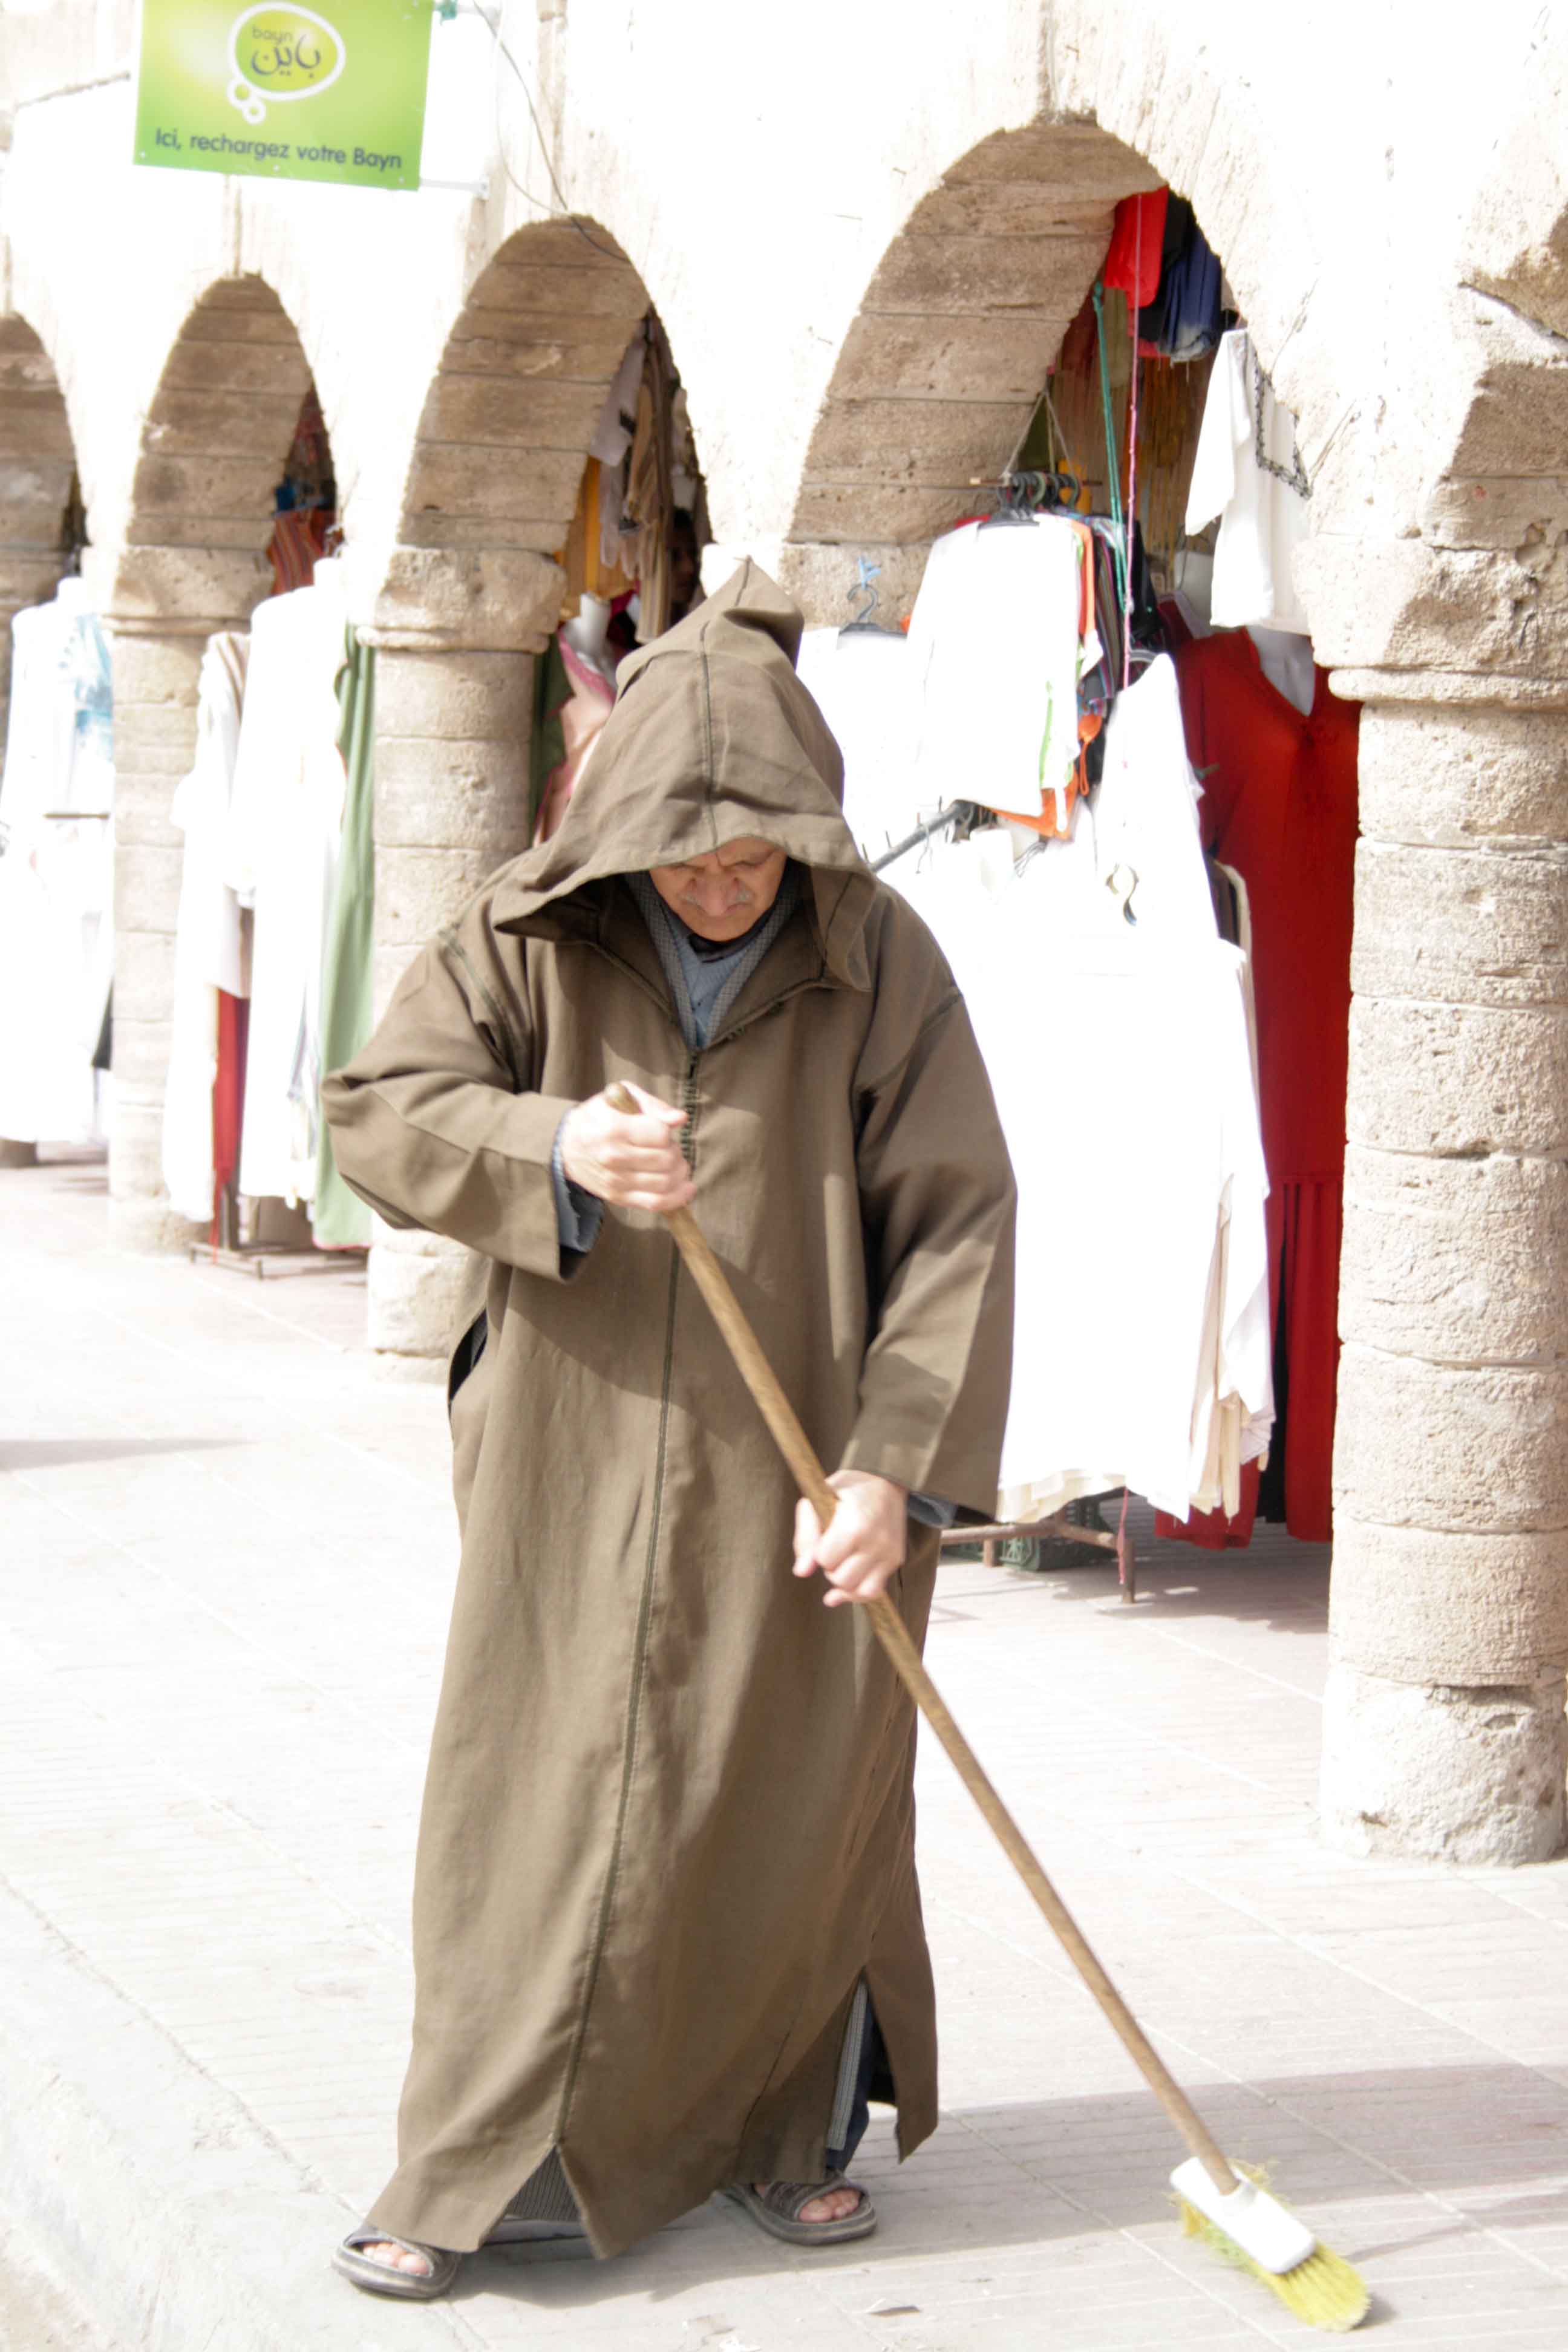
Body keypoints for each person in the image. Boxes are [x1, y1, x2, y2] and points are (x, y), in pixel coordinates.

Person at [322, 563, 1016, 2301]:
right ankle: (465, 2166)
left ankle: (788, 2137)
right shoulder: (526, 931)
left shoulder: (876, 958)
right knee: (536, 1794)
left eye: (760, 858)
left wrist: (893, 1466)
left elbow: (958, 1224)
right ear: (622, 832)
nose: (725, 889)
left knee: (801, 1787)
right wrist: (553, 1145)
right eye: (693, 861)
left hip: (805, 1463)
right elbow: (380, 1107)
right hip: (575, 1438)